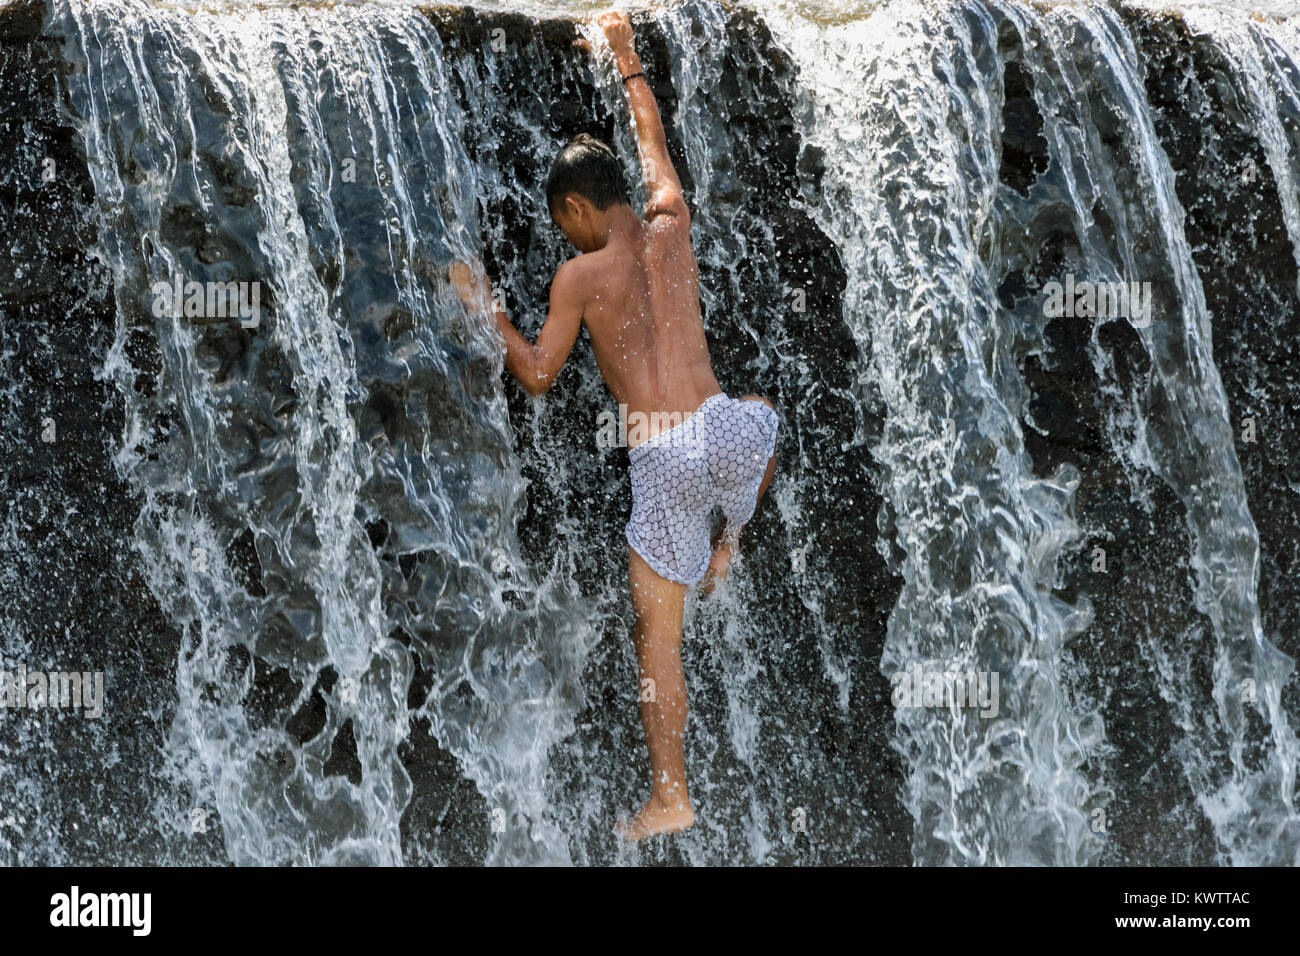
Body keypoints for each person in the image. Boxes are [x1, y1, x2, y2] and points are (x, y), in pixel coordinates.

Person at [449, 10, 778, 841]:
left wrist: (483, 304)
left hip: (666, 459)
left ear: (574, 209)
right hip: (727, 435)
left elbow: (537, 375)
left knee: (655, 640)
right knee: (764, 415)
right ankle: (729, 539)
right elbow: (651, 133)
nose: (564, 235)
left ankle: (671, 792)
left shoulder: (580, 274)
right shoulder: (672, 219)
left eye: (564, 223)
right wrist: (625, 55)